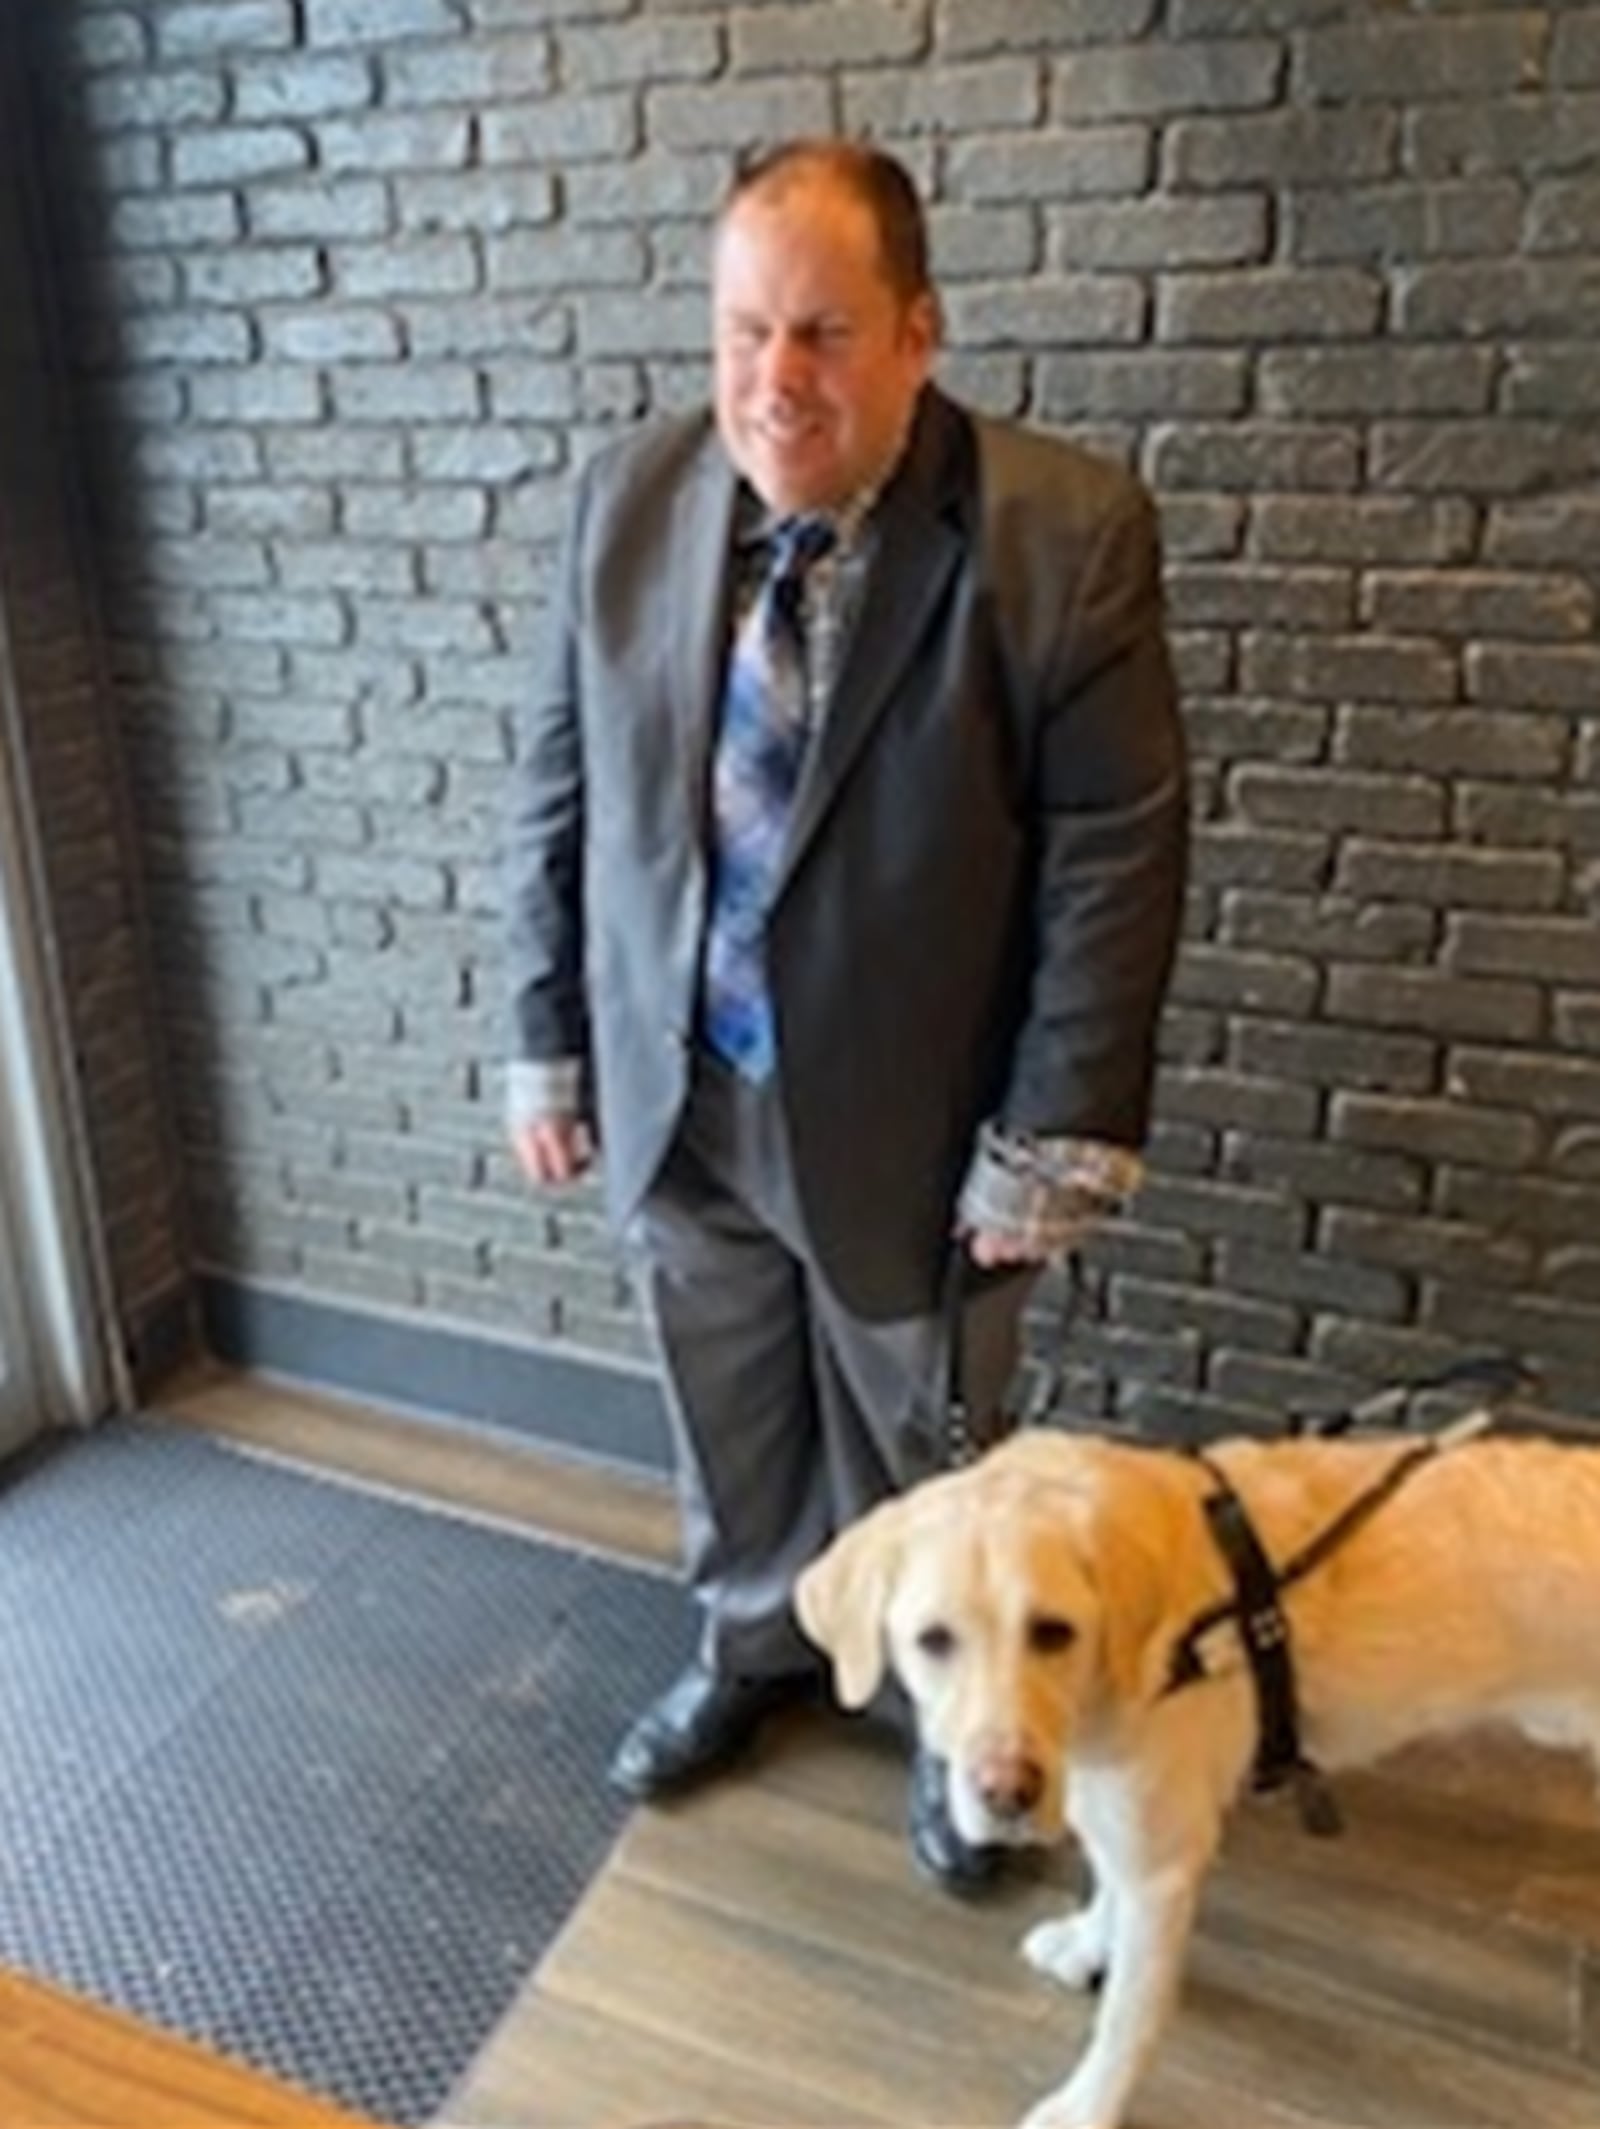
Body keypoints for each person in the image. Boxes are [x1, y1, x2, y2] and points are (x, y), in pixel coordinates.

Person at [505, 139, 1188, 1892]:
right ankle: (753, 1646)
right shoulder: (629, 496)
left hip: (922, 1119)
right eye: (743, 331)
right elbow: (562, 790)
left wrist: (1054, 1135)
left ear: (917, 334)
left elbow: (1118, 851)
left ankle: (947, 1744)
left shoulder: (1062, 534)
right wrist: (551, 1034)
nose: (772, 380)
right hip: (681, 1086)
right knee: (727, 1403)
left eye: (820, 332)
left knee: (924, 1449)